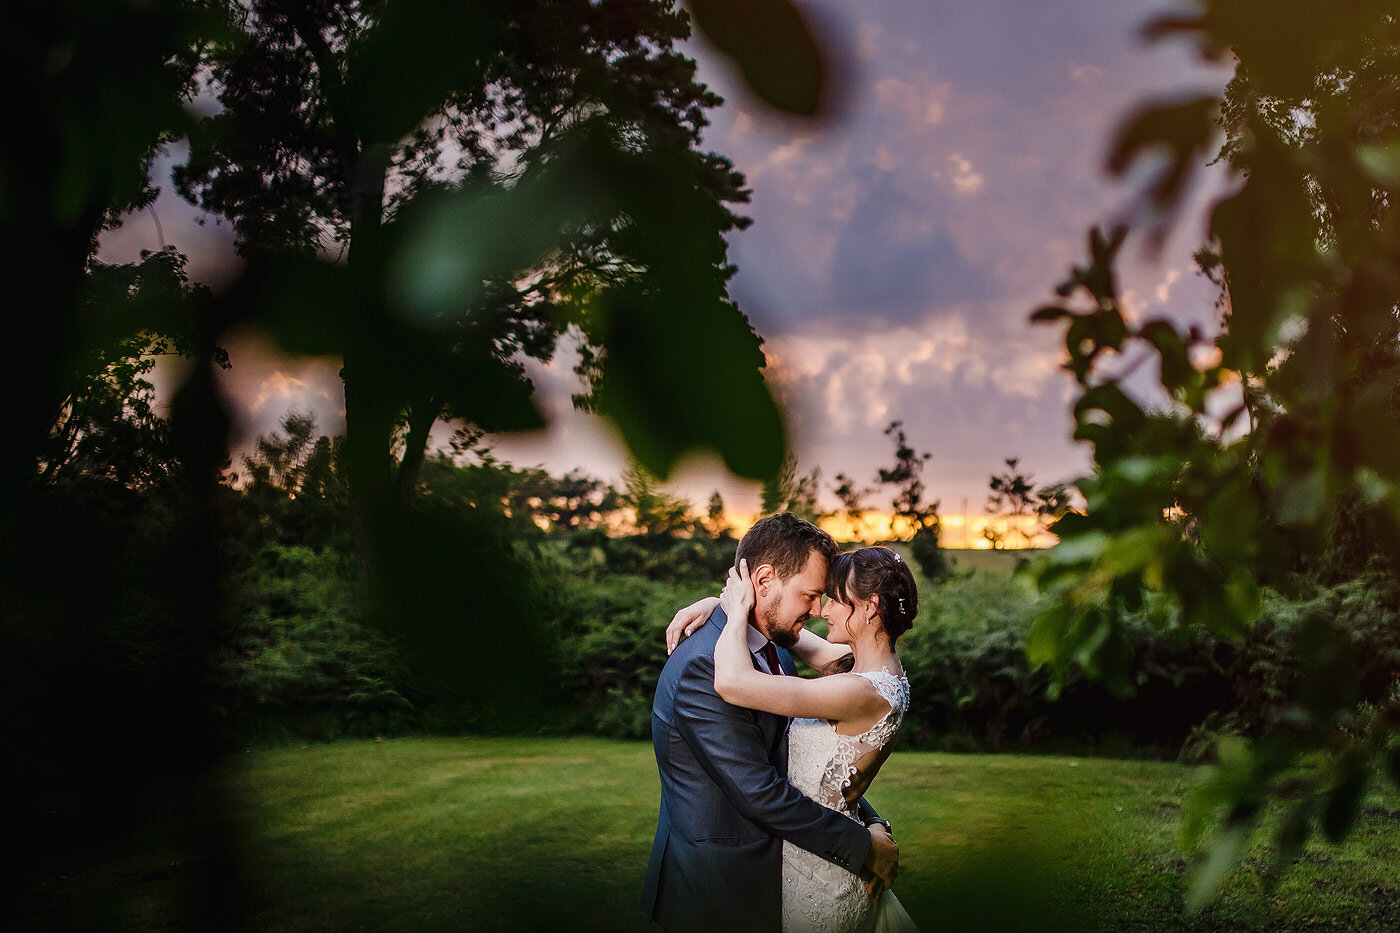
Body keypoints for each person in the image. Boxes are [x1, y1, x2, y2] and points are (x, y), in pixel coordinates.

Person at [642, 513, 900, 933]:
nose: (817, 609)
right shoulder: (702, 669)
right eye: (810, 594)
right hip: (718, 892)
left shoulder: (776, 650)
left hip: (771, 883)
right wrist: (861, 846)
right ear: (763, 581)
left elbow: (805, 764)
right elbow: (759, 791)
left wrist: (868, 820)